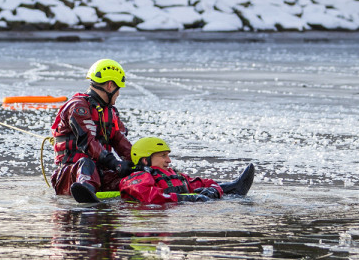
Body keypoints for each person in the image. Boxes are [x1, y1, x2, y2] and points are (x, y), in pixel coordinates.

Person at [50, 59, 135, 203]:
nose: (119, 93)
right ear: (110, 85)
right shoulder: (78, 107)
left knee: (133, 176)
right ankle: (85, 190)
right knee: (86, 163)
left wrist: (141, 163)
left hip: (101, 172)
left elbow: (120, 141)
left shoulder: (111, 112)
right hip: (72, 174)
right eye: (118, 88)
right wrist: (115, 163)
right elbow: (88, 142)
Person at [119, 137, 255, 204]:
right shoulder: (139, 176)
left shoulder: (172, 174)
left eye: (168, 155)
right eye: (163, 156)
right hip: (159, 212)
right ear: (145, 160)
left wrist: (213, 190)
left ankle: (234, 188)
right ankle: (233, 190)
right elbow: (147, 195)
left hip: (182, 205)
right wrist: (186, 198)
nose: (169, 160)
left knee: (214, 189)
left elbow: (203, 182)